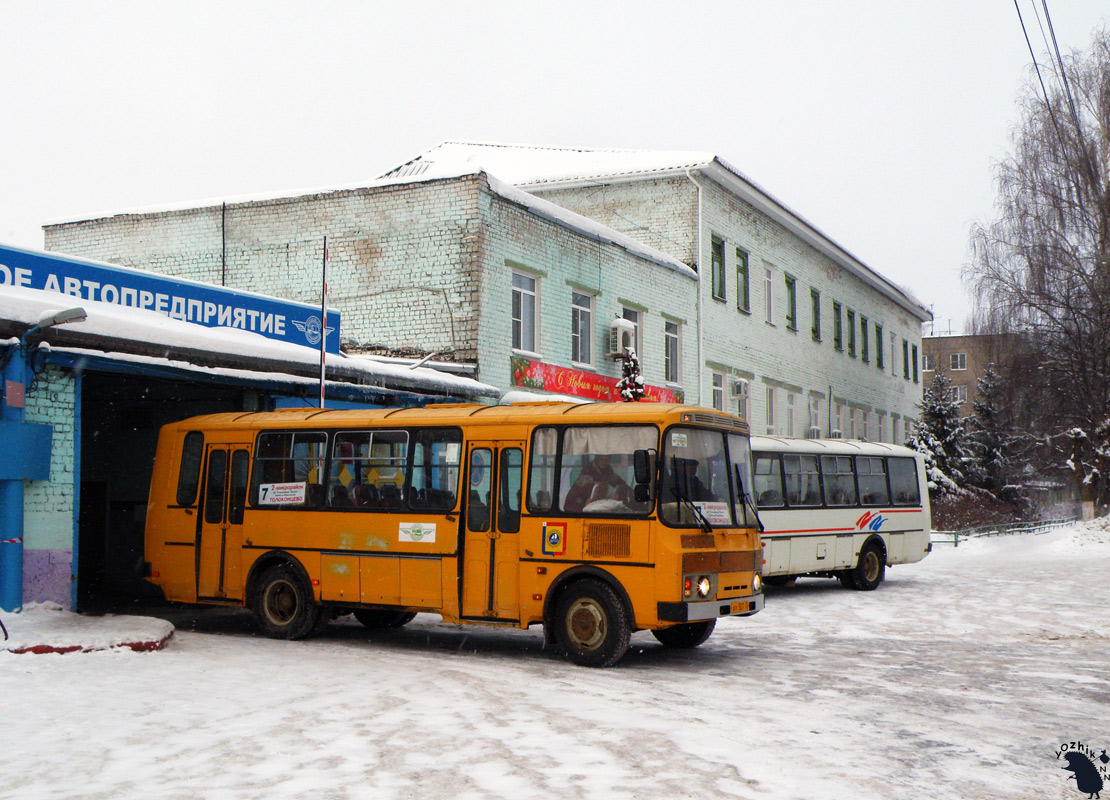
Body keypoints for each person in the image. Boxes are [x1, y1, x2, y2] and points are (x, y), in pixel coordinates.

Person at [563, 454, 632, 512]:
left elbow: (620, 483)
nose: (604, 462)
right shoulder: (587, 473)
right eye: (601, 459)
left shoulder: (608, 472)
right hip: (576, 508)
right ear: (597, 459)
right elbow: (581, 494)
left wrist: (630, 493)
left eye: (607, 460)